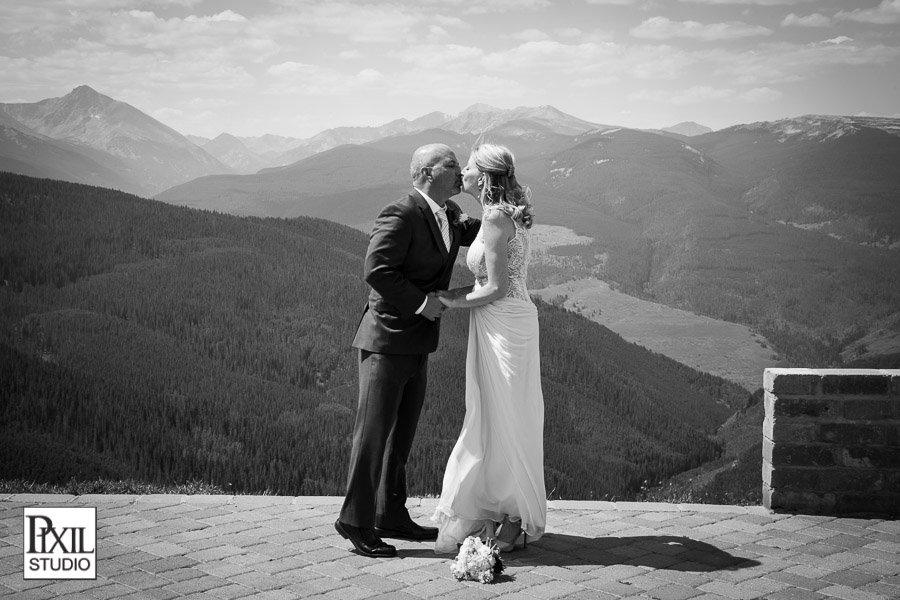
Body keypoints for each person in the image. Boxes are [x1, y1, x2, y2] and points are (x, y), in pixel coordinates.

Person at [335, 143, 481, 558]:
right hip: (385, 340)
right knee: (373, 434)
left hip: (418, 342)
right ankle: (354, 520)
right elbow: (376, 269)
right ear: (424, 172)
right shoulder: (400, 212)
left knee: (401, 436)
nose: (459, 169)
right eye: (451, 164)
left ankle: (390, 515)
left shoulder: (449, 214)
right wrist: (423, 303)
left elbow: (490, 227)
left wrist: (490, 187)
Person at [431, 143, 546, 554]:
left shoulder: (497, 216)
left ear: (483, 176)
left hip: (505, 325)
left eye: (467, 167)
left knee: (509, 419)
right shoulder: (499, 213)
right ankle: (502, 509)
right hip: (501, 321)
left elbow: (495, 288)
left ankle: (515, 518)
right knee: (495, 418)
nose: (460, 171)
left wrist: (447, 300)